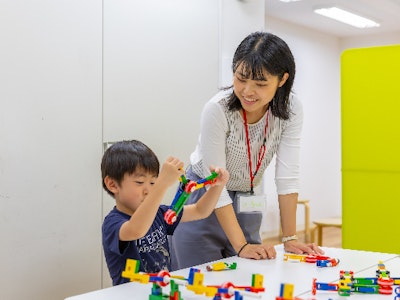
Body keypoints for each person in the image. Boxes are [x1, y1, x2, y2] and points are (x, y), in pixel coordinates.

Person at [170, 31, 323, 270]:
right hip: (203, 194)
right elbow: (215, 183)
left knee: (249, 274)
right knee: (199, 281)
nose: (247, 91)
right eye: (241, 79)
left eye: (261, 84)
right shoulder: (217, 109)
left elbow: (287, 176)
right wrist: (241, 246)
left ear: (282, 80)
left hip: (248, 196)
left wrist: (289, 238)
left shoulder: (291, 108)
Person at [101, 140, 229, 285]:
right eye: (139, 182)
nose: (148, 190)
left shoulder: (158, 213)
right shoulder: (113, 223)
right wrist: (161, 184)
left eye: (152, 183)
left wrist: (218, 186)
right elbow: (136, 229)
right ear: (112, 185)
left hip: (162, 292)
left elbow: (200, 211)